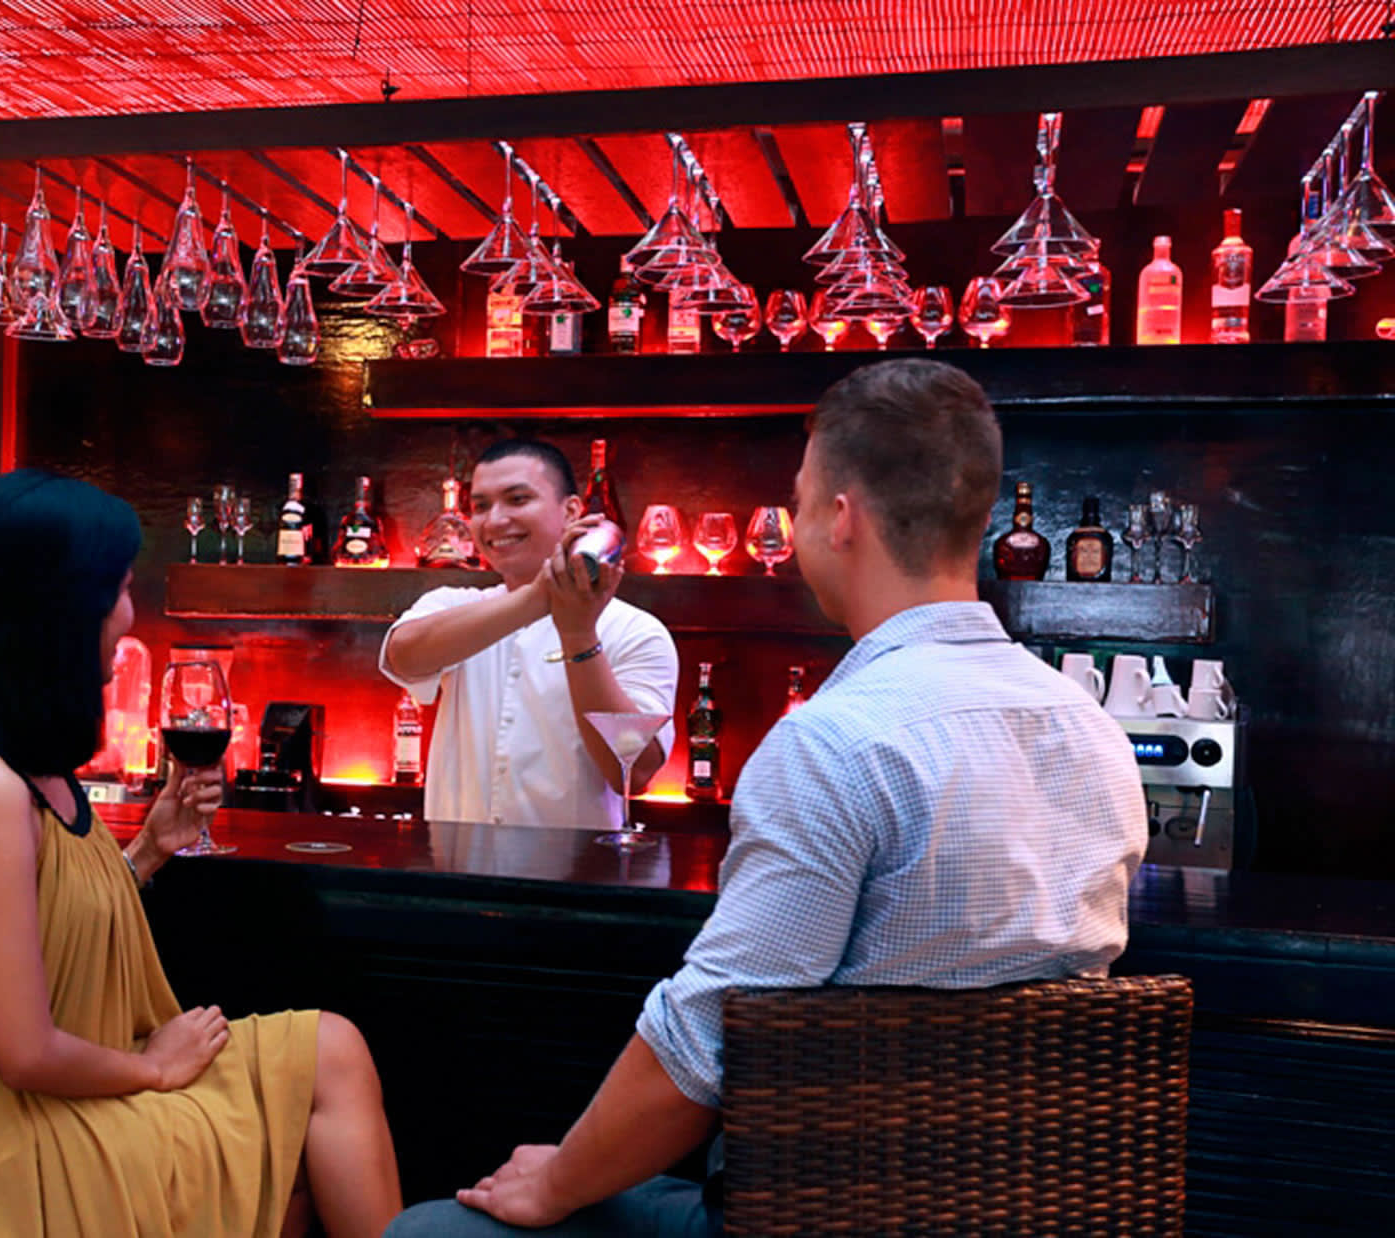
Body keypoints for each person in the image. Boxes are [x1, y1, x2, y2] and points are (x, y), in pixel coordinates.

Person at [387, 359, 1147, 1236]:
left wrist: (556, 1183)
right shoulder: (1090, 727)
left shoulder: (834, 742)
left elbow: (700, 1047)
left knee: (424, 1231)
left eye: (797, 499)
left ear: (840, 516)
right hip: (1027, 1208)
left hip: (815, 1207)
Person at [0, 469, 402, 1237]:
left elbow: (35, 921)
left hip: (59, 1102)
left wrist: (149, 848)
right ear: (57, 607)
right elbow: (23, 1053)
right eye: (117, 590)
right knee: (295, 1138)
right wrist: (155, 1069)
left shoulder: (27, 760)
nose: (130, 615)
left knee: (330, 1052)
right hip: (12, 1146)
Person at [381, 439, 678, 828]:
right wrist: (538, 599)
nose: (495, 520)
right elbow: (402, 655)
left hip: (577, 879)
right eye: (481, 506)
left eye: (518, 500)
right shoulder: (454, 603)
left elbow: (634, 772)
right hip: (458, 875)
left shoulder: (635, 631)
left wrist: (578, 634)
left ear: (572, 510)